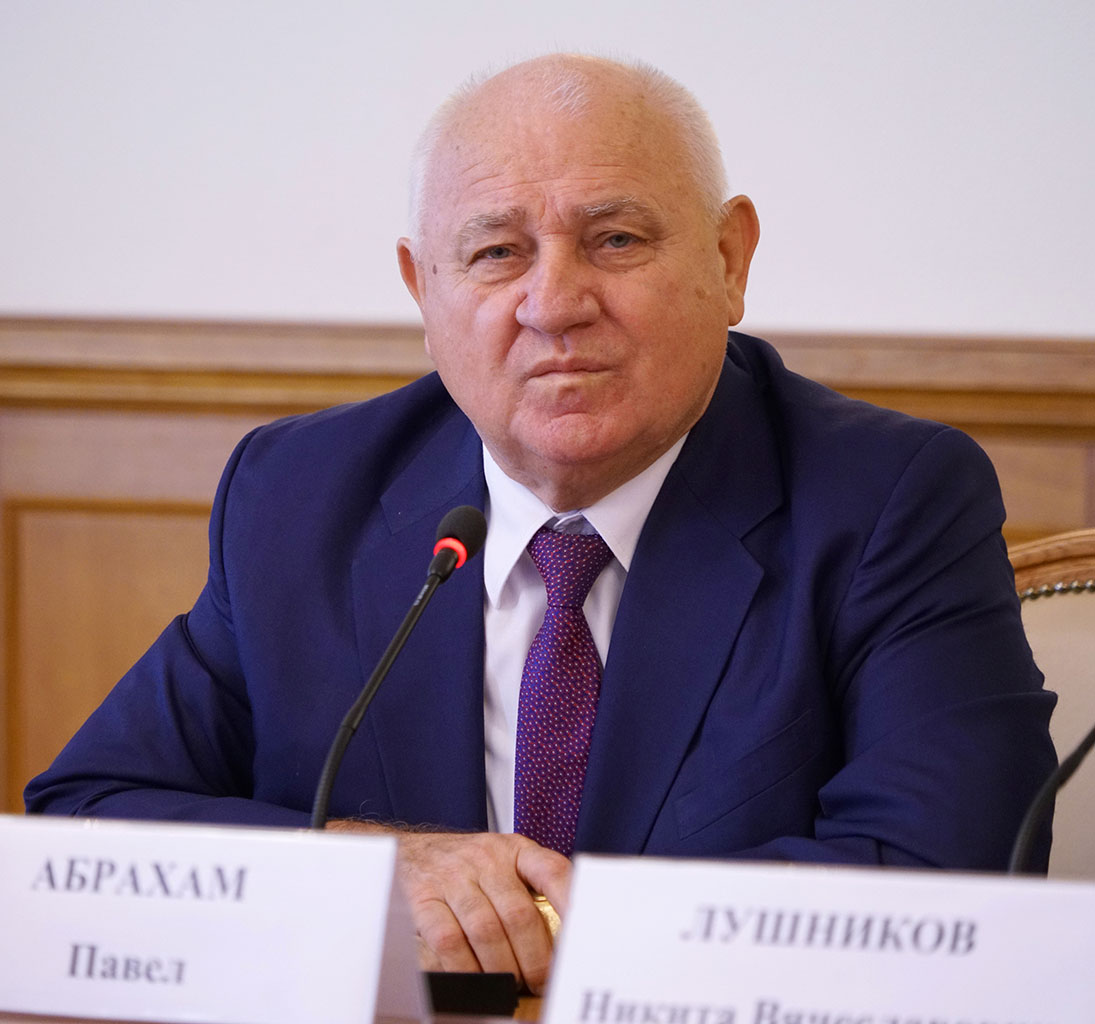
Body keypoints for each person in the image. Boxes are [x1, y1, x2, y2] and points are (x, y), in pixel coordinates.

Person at [25, 54, 1055, 994]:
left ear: (729, 259)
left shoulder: (888, 501)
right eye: (495, 252)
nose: (554, 302)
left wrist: (546, 924)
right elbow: (88, 822)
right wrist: (369, 874)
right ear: (423, 289)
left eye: (616, 239)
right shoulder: (300, 495)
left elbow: (950, 882)